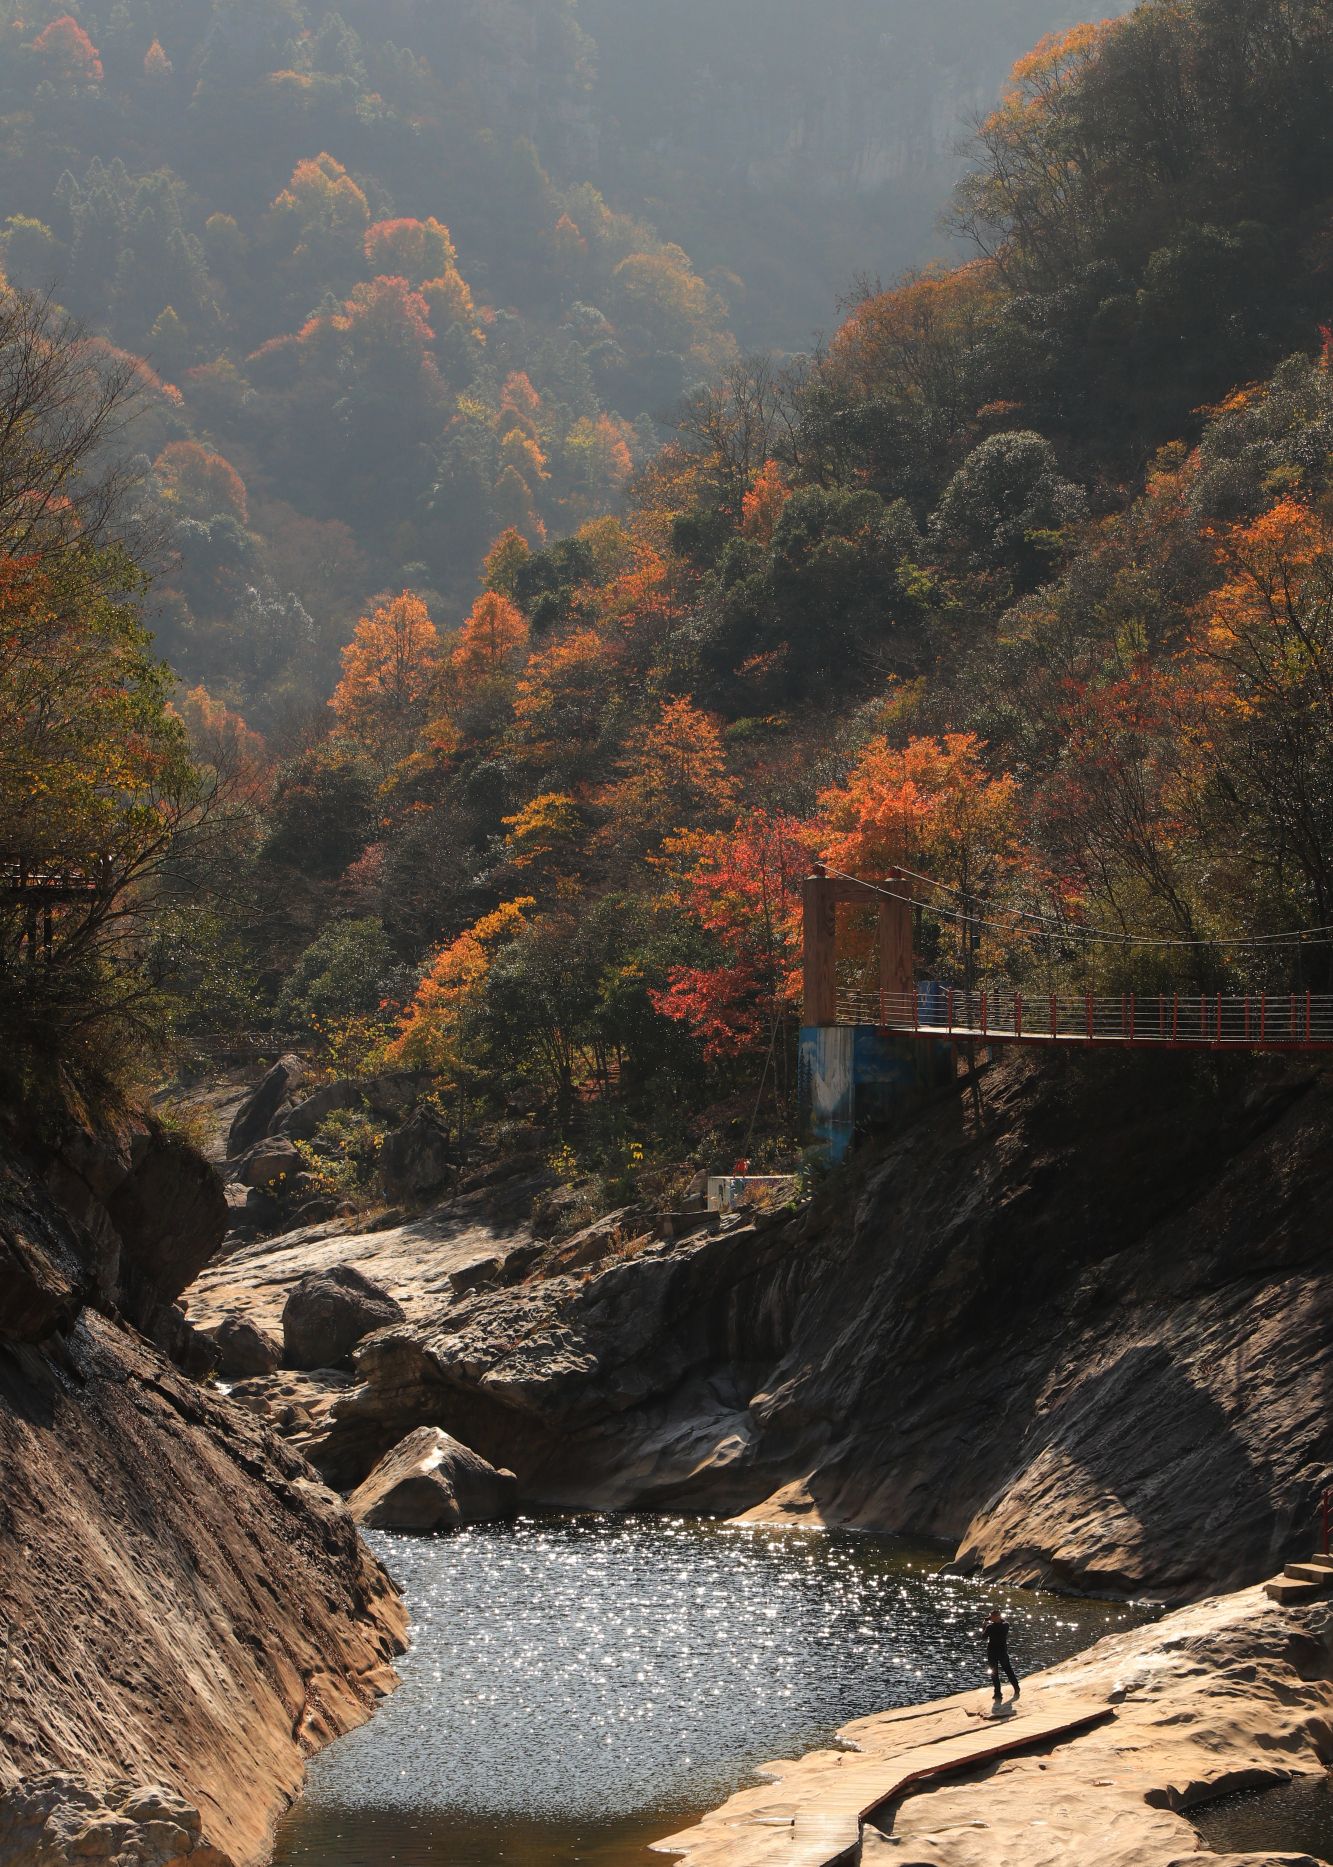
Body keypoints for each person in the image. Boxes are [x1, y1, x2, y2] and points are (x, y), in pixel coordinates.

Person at [984, 1608, 1020, 1701]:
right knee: (1008, 1670)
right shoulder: (1006, 1626)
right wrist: (998, 1619)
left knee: (994, 1673)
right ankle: (1016, 1688)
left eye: (991, 1617)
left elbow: (983, 1637)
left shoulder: (989, 1627)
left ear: (995, 1617)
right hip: (1002, 1652)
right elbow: (1004, 1622)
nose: (990, 1619)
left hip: (992, 1652)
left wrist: (984, 1625)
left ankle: (998, 1693)